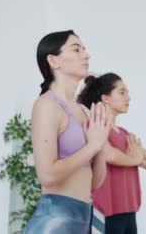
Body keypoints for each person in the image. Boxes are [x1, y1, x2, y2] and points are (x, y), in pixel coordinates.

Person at [25, 30, 112, 233]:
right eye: (76, 49)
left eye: (84, 49)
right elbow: (46, 175)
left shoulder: (83, 111)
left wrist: (99, 146)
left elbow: (95, 182)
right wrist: (92, 146)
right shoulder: (47, 105)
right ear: (53, 61)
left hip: (82, 219)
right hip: (54, 221)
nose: (86, 54)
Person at [78, 73, 146, 234]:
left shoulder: (125, 135)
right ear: (106, 98)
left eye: (127, 93)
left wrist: (135, 157)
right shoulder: (95, 125)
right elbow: (110, 155)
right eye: (122, 92)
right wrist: (136, 158)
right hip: (104, 211)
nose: (128, 97)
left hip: (128, 211)